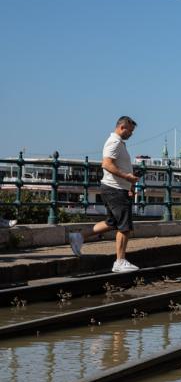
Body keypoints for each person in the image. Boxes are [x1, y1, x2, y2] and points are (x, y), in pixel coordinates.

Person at [68, 116, 141, 272]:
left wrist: (130, 184)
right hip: (115, 189)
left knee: (112, 222)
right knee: (124, 226)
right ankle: (120, 261)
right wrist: (127, 177)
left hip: (115, 188)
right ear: (122, 127)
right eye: (130, 130)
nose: (131, 134)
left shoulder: (119, 143)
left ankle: (79, 237)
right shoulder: (114, 142)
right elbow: (106, 164)